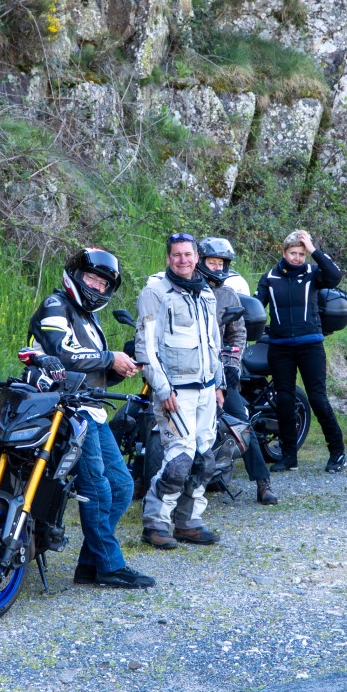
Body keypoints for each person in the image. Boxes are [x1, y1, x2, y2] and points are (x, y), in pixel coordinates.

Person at [28, 248, 155, 589]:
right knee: (98, 488)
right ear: (76, 274)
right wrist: (108, 356)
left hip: (90, 408)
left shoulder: (90, 317)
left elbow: (93, 373)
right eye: (92, 279)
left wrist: (120, 368)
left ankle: (90, 564)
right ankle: (110, 566)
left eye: (103, 283)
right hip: (65, 410)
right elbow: (61, 352)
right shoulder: (57, 305)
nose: (97, 288)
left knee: (122, 485)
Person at [137, 233, 225, 549]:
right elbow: (146, 349)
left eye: (188, 254)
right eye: (177, 255)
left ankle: (188, 523)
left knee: (204, 461)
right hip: (174, 394)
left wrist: (217, 383)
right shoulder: (155, 293)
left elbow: (213, 343)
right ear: (168, 258)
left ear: (196, 258)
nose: (183, 260)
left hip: (205, 392)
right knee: (178, 462)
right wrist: (162, 390)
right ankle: (155, 525)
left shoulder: (206, 294)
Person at [256, 230, 347, 474]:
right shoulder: (269, 277)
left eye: (301, 253)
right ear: (283, 252)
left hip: (310, 345)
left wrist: (314, 248)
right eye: (293, 253)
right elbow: (255, 308)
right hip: (280, 347)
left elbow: (335, 276)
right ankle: (288, 457)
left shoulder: (313, 273)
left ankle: (337, 452)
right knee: (284, 401)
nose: (297, 258)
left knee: (318, 399)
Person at [198, 236, 277, 505]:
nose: (217, 267)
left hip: (219, 371)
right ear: (199, 260)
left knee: (238, 419)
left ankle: (262, 481)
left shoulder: (227, 294)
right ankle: (141, 475)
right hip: (184, 370)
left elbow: (238, 334)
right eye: (212, 261)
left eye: (221, 263)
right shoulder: (183, 289)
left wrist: (231, 365)